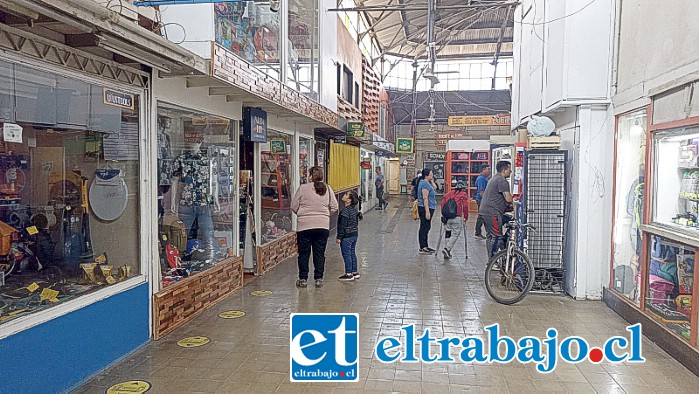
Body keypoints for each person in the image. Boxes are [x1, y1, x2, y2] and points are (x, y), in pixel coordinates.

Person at [291, 166, 339, 288]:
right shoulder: (327, 188)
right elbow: (334, 206)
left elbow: (293, 206)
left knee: (303, 253)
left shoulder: (303, 188)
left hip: (304, 227)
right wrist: (324, 215)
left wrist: (302, 214)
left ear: (311, 176)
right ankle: (318, 279)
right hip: (322, 227)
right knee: (319, 253)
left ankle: (303, 279)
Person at [478, 161, 514, 259]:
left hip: (484, 212)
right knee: (497, 236)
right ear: (504, 170)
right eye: (509, 169)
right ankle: (493, 261)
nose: (511, 171)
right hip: (492, 212)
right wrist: (514, 201)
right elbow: (508, 198)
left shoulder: (494, 178)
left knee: (490, 236)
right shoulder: (502, 181)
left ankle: (493, 259)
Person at [337, 191, 363, 281]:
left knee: (346, 254)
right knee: (352, 252)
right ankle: (354, 272)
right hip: (354, 234)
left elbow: (342, 226)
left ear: (348, 200)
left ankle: (348, 274)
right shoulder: (354, 210)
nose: (343, 195)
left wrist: (339, 237)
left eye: (346, 194)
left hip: (346, 236)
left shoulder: (345, 211)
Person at [440, 181, 470, 259]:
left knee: (448, 232)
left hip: (447, 218)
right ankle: (447, 248)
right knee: (455, 234)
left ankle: (447, 252)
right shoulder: (463, 195)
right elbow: (465, 207)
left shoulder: (448, 194)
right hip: (457, 217)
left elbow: (442, 204)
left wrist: (443, 215)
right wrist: (466, 217)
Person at [417, 168, 437, 254]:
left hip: (429, 207)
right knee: (424, 227)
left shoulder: (427, 183)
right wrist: (427, 211)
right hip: (425, 208)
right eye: (431, 174)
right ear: (426, 175)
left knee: (427, 227)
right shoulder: (424, 184)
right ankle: (423, 246)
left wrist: (431, 180)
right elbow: (425, 198)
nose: (432, 175)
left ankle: (425, 245)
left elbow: (435, 187)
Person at [474, 164, 491, 239]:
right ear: (483, 170)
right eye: (488, 169)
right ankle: (478, 233)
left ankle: (480, 232)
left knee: (482, 216)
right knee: (481, 216)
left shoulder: (484, 178)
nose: (489, 171)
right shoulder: (481, 179)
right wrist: (486, 201)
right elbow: (481, 192)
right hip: (481, 200)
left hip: (482, 200)